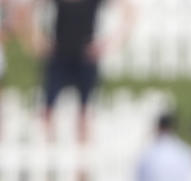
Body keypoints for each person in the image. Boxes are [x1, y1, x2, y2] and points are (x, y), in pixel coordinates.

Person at [24, 0, 135, 141]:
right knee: (48, 111)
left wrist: (110, 43)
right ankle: (51, 153)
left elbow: (130, 11)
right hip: (58, 56)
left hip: (85, 57)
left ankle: (82, 159)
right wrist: (37, 38)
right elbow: (28, 9)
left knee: (85, 113)